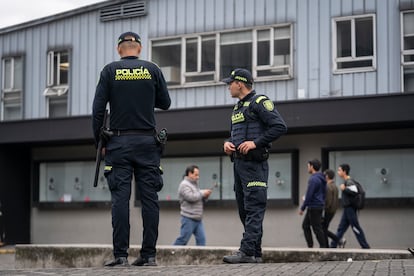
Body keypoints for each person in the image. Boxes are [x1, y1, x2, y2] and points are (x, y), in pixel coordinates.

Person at [92, 31, 171, 267]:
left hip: (118, 143)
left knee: (120, 200)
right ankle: (149, 256)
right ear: (139, 48)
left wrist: (99, 141)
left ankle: (121, 256)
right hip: (148, 143)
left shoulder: (109, 70)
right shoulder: (153, 69)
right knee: (150, 200)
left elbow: (97, 110)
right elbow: (165, 103)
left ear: (119, 49)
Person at [222, 68, 287, 263]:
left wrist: (255, 143)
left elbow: (279, 126)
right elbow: (235, 134)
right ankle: (255, 253)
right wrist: (227, 143)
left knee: (254, 209)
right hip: (239, 166)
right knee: (244, 210)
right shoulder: (237, 108)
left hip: (254, 166)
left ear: (240, 84)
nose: (228, 87)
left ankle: (247, 251)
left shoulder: (259, 102)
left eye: (230, 83)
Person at [330, 164, 370, 249]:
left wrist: (345, 189)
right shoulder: (347, 181)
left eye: (339, 170)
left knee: (355, 227)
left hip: (350, 208)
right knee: (341, 228)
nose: (338, 172)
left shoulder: (349, 181)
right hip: (347, 208)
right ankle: (333, 245)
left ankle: (365, 246)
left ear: (344, 172)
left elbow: (355, 191)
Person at [173, 165, 212, 246]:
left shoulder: (194, 184)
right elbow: (191, 197)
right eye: (196, 175)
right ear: (190, 174)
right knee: (183, 240)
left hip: (197, 218)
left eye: (198, 175)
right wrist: (202, 193)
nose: (198, 177)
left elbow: (198, 198)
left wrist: (205, 196)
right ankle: (170, 254)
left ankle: (201, 258)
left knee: (202, 241)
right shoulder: (184, 184)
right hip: (188, 218)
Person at [299, 159, 327, 248]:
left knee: (316, 228)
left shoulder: (313, 179)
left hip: (314, 206)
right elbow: (324, 192)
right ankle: (312, 246)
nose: (307, 168)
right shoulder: (322, 178)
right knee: (306, 225)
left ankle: (323, 247)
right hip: (318, 205)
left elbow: (309, 194)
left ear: (312, 166)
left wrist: (302, 208)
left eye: (308, 166)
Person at [322, 169, 340, 247]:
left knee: (323, 229)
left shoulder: (328, 187)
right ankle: (326, 245)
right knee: (324, 228)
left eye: (324, 175)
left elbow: (328, 201)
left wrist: (324, 209)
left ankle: (339, 240)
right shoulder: (335, 186)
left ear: (327, 176)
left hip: (328, 211)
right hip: (333, 210)